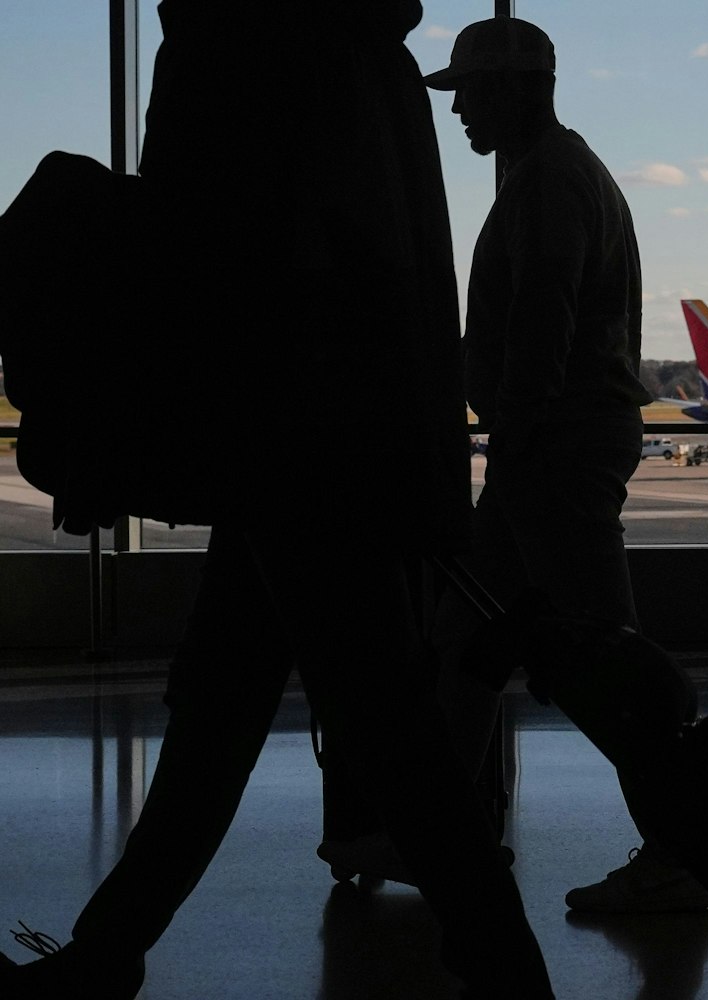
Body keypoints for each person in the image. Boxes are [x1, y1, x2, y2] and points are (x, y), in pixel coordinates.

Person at [0, 3, 556, 998]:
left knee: (360, 727)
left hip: (283, 439)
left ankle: (505, 969)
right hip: (337, 435)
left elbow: (196, 251)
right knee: (243, 709)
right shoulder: (361, 56)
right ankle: (107, 947)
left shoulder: (237, 43)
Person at [315, 15, 708, 916]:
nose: (459, 115)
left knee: (604, 664)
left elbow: (540, 324)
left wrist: (514, 433)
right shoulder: (560, 174)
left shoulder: (548, 186)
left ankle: (681, 849)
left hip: (553, 448)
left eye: (471, 95)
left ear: (516, 91)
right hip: (550, 445)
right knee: (468, 645)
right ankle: (439, 836)